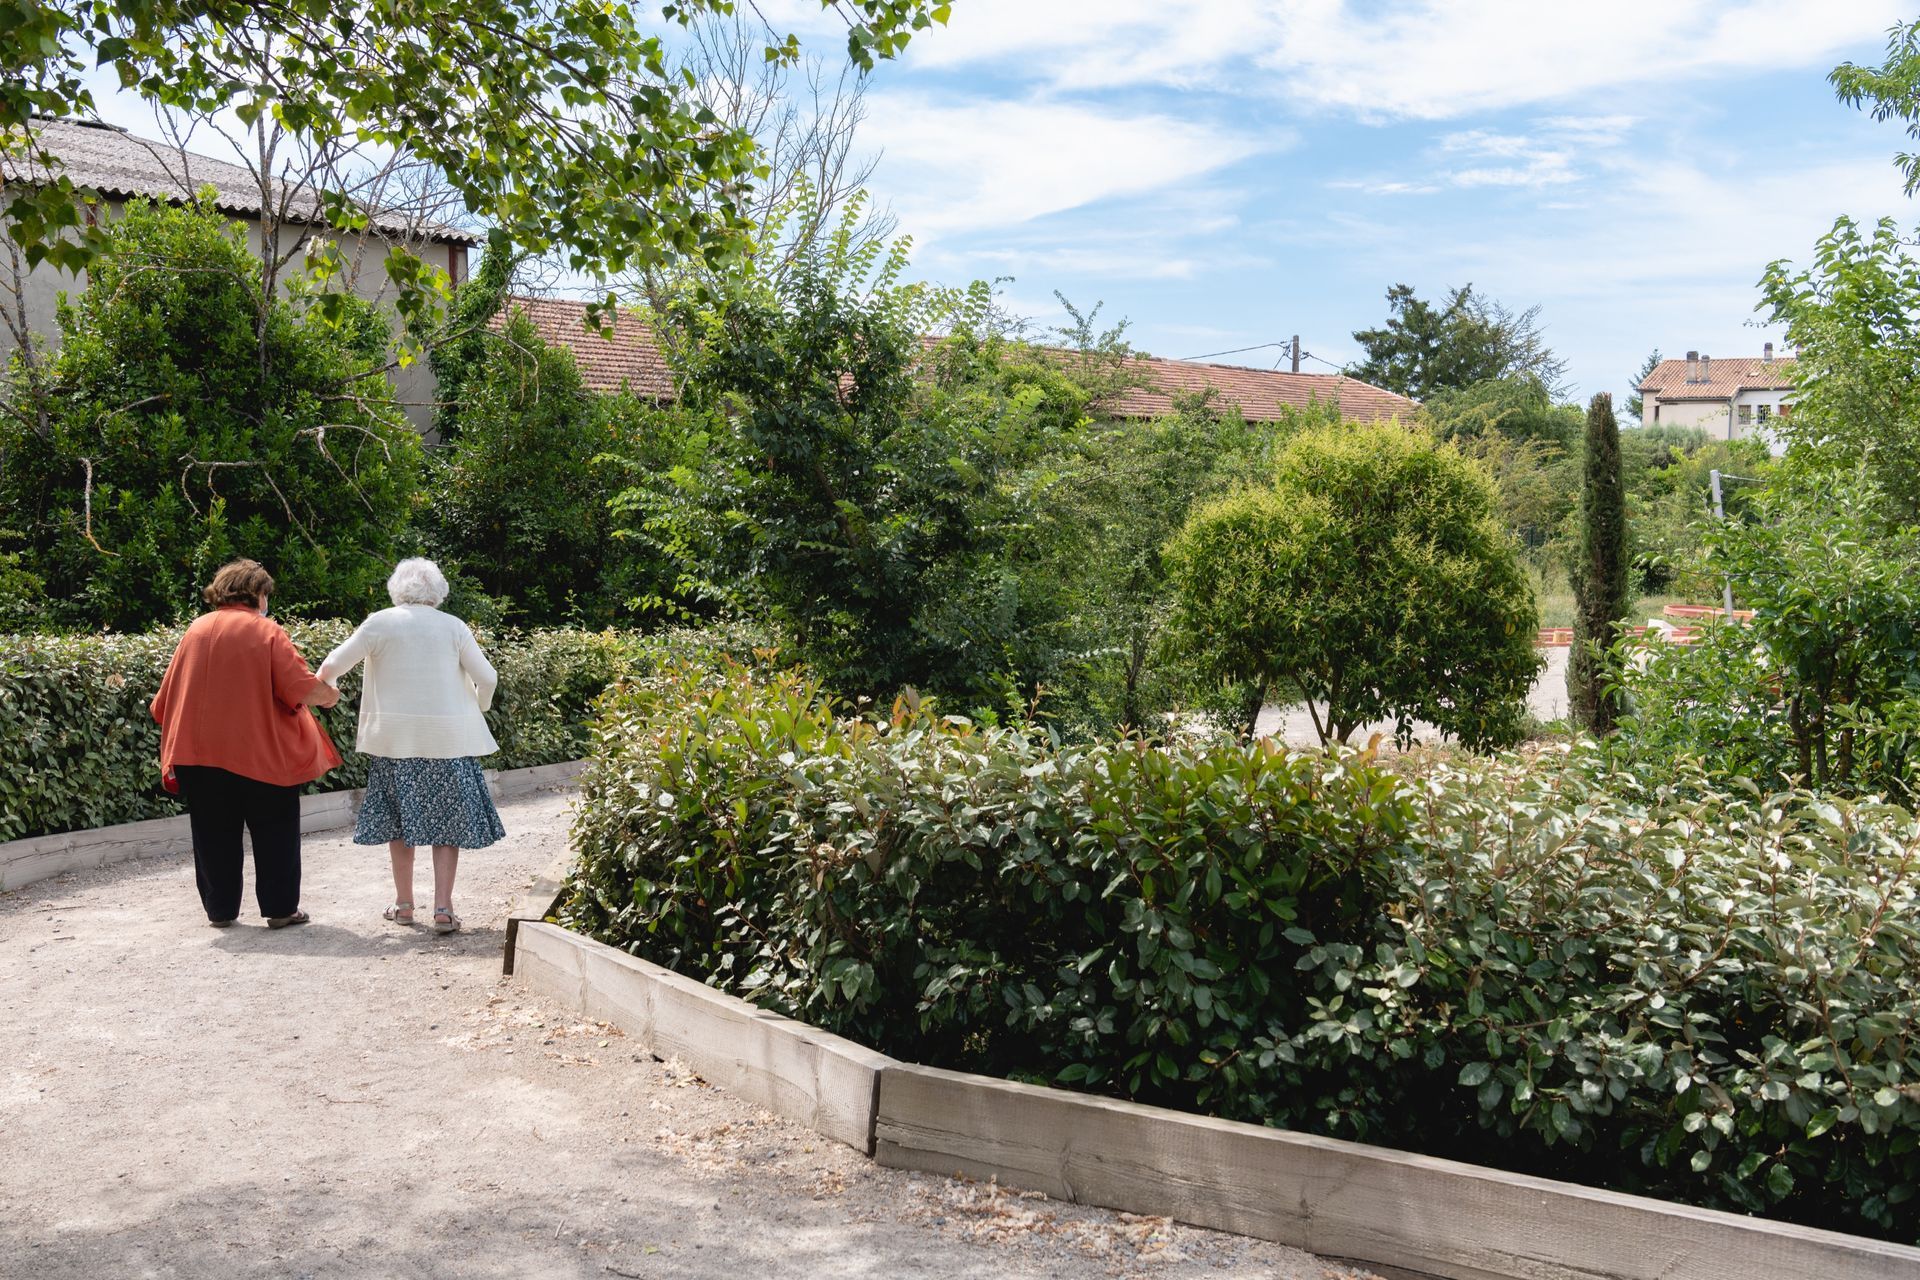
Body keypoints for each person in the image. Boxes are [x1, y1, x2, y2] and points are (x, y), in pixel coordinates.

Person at [151, 559, 342, 928]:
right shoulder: (265, 631)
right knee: (276, 830)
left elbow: (165, 700)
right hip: (259, 752)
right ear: (258, 594)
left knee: (212, 834)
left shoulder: (196, 629)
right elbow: (298, 687)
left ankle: (220, 911)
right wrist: (329, 694)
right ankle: (280, 908)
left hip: (198, 753)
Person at [318, 558, 504, 935]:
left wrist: (328, 691)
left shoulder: (379, 622)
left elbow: (331, 666)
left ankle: (404, 906)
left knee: (400, 822)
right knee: (447, 825)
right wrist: (477, 706)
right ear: (438, 592)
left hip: (394, 742)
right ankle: (443, 909)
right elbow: (488, 677)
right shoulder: (454, 627)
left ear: (396, 588)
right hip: (448, 743)